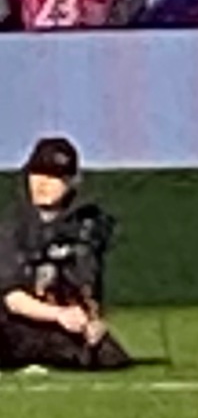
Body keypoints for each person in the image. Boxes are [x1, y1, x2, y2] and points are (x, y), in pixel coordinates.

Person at [0, 136, 130, 371]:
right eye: (37, 173)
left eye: (54, 177)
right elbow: (13, 299)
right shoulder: (13, 228)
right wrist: (59, 314)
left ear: (72, 182)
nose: (42, 184)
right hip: (12, 323)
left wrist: (91, 321)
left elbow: (87, 284)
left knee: (106, 355)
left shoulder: (86, 228)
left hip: (57, 324)